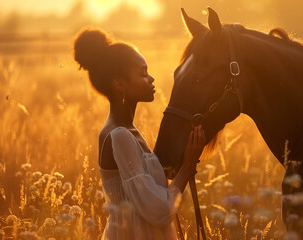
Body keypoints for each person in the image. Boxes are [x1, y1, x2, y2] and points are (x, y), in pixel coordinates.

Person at [73, 28, 206, 240]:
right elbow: (159, 210)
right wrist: (188, 167)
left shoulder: (129, 131)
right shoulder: (119, 135)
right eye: (143, 74)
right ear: (119, 85)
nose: (151, 79)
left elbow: (150, 194)